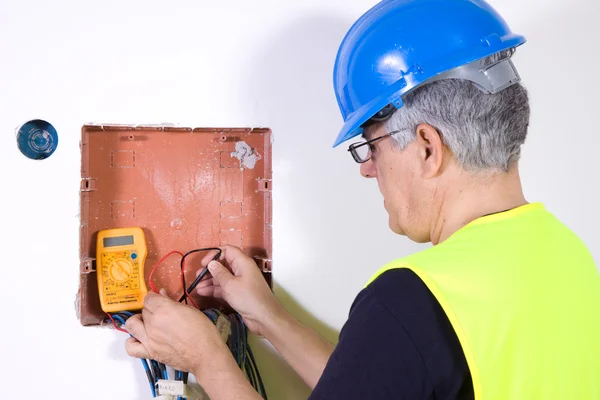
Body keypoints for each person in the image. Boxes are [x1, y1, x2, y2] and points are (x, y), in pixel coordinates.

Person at [125, 0, 600, 398]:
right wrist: (266, 318)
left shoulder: (411, 300)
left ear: (428, 147)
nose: (366, 168)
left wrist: (206, 360)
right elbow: (387, 382)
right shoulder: (567, 254)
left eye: (370, 146)